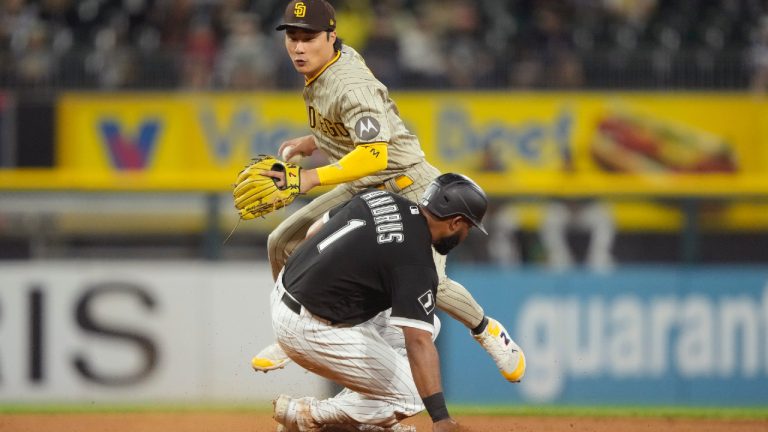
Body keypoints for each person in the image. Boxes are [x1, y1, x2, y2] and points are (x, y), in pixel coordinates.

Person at [251, 0, 523, 385]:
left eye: (308, 37)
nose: (298, 46)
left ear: (331, 37)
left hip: (409, 186)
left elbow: (375, 154)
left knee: (432, 281)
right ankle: (295, 331)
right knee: (282, 241)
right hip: (364, 184)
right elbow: (353, 130)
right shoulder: (325, 67)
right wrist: (315, 142)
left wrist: (310, 178)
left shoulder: (349, 83)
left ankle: (487, 330)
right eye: (293, 37)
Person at [270, 173, 514, 431]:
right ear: (455, 222)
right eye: (468, 227)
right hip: (309, 327)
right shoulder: (415, 262)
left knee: (431, 326)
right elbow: (417, 342)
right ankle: (305, 415)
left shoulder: (379, 198)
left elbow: (313, 231)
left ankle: (367, 423)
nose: (466, 234)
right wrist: (440, 418)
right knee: (411, 396)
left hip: (286, 292)